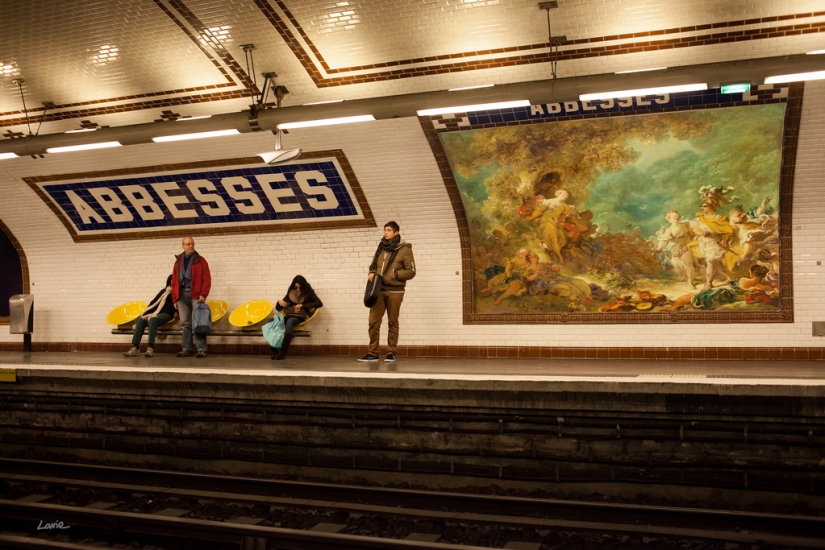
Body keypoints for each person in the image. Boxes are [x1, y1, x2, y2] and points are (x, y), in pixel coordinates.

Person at [359, 221, 416, 362]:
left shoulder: (405, 250)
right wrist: (371, 272)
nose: (386, 232)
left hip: (395, 292)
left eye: (389, 230)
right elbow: (374, 264)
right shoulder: (381, 247)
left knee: (392, 322)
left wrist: (394, 275)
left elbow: (411, 271)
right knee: (373, 322)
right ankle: (373, 353)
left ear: (396, 233)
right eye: (385, 230)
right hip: (379, 290)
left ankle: (391, 352)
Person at [171, 236, 212, 358]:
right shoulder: (178, 261)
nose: (191, 246)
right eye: (188, 244)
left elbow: (207, 279)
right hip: (181, 295)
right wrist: (175, 298)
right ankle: (186, 349)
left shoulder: (201, 260)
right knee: (185, 324)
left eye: (192, 244)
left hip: (196, 294)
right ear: (183, 246)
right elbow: (174, 281)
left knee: (199, 322)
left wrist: (203, 294)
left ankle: (201, 349)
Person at [123, 275, 176, 358]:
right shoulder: (163, 291)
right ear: (169, 281)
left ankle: (150, 348)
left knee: (152, 320)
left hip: (168, 313)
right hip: (156, 313)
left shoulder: (177, 293)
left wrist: (177, 312)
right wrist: (146, 313)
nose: (173, 281)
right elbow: (153, 302)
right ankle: (135, 347)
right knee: (141, 320)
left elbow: (181, 305)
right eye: (172, 280)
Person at [272, 275, 323, 360]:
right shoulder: (291, 292)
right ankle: (274, 351)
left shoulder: (309, 293)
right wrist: (279, 302)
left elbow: (319, 303)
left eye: (300, 287)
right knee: (272, 321)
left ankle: (282, 352)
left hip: (300, 316)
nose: (298, 289)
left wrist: (302, 305)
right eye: (296, 287)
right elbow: (278, 309)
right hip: (289, 314)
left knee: (290, 321)